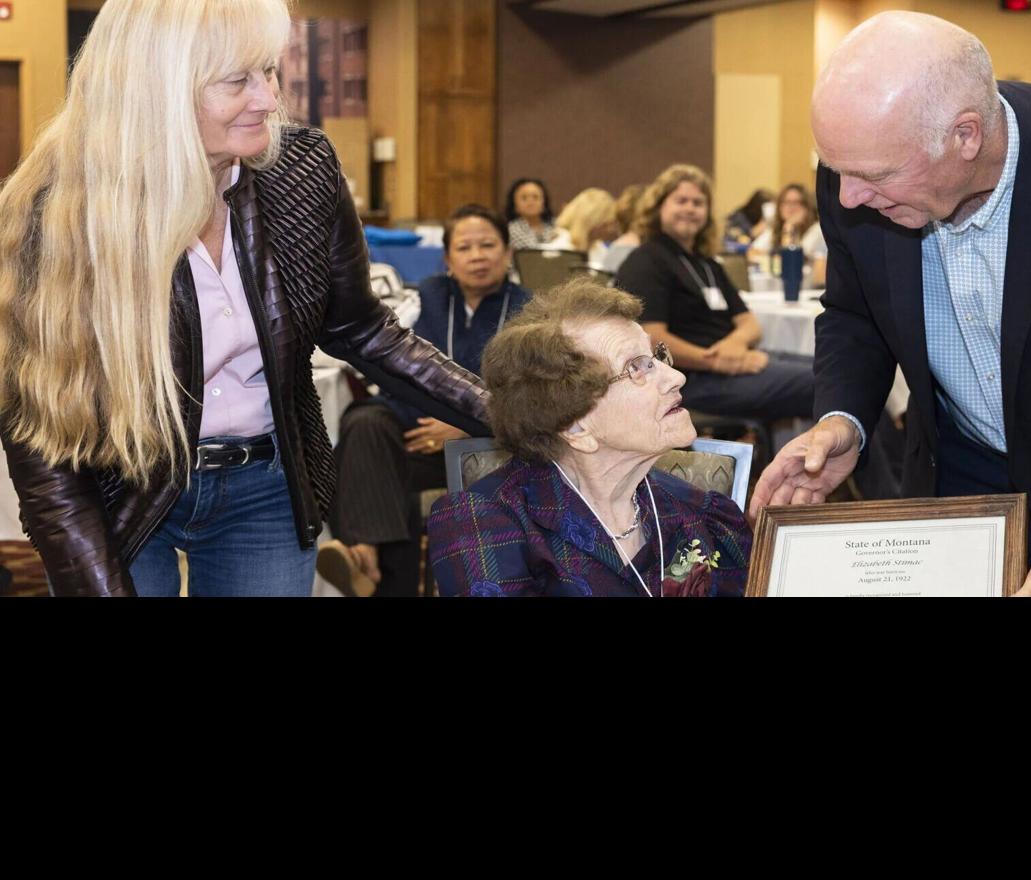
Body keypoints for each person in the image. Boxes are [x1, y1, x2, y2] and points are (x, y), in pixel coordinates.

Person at [0, 0, 491, 596]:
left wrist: (518, 417)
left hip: (267, 484)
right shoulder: (54, 213)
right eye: (238, 80)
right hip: (117, 484)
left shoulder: (302, 170)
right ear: (155, 89)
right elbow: (43, 445)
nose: (268, 99)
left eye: (270, 71)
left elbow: (362, 329)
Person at [751, 11, 1031, 597]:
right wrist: (845, 419)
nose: (848, 197)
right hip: (956, 482)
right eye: (836, 172)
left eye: (873, 175)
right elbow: (854, 314)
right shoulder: (857, 168)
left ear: (966, 136)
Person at [427, 276, 750, 597]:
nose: (676, 377)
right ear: (576, 428)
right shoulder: (486, 523)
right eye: (637, 367)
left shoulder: (700, 512)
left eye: (656, 357)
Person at [318, 204, 532, 597]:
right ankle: (366, 551)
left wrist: (460, 423)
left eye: (488, 245)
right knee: (365, 425)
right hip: (420, 440)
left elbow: (535, 394)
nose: (478, 256)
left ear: (507, 253)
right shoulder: (424, 297)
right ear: (448, 258)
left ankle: (367, 563)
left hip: (490, 448)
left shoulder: (530, 312)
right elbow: (393, 372)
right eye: (465, 247)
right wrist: (429, 424)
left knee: (384, 482)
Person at [612, 164, 814, 425]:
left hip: (732, 368)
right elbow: (651, 340)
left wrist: (733, 346)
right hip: (689, 381)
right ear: (658, 207)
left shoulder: (708, 264)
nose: (689, 208)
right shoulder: (645, 262)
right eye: (681, 200)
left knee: (837, 368)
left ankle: (878, 464)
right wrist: (716, 362)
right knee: (829, 384)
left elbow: (749, 323)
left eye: (698, 202)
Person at [749, 182, 828, 288]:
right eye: (786, 202)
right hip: (776, 289)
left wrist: (789, 228)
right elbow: (752, 253)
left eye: (796, 203)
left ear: (807, 207)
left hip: (804, 290)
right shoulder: (774, 230)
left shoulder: (816, 231)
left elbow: (791, 259)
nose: (790, 207)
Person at [504, 177, 569, 250]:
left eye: (536, 197)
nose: (530, 202)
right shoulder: (511, 230)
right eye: (524, 198)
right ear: (514, 205)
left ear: (544, 203)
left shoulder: (555, 225)